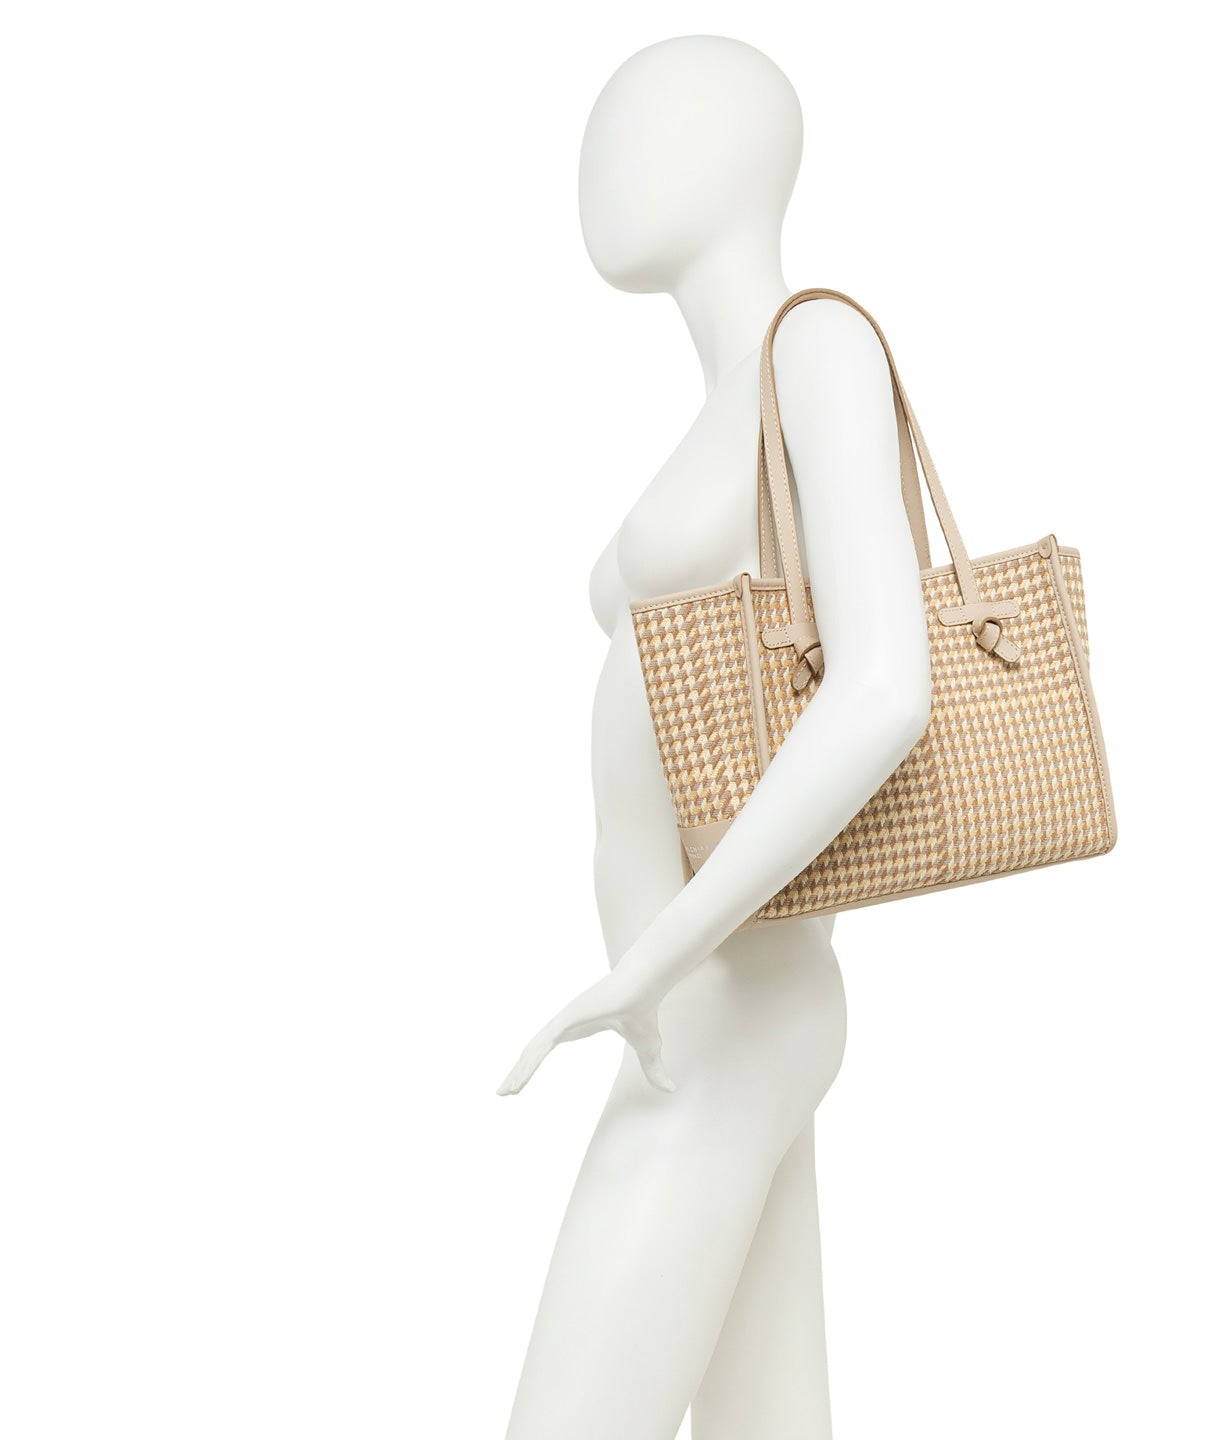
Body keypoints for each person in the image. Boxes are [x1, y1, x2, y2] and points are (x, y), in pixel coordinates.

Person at [497, 35, 934, 1440]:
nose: (598, 159)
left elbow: (885, 688)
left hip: (720, 1009)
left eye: (638, 122)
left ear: (743, 151)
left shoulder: (818, 343)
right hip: (699, 1012)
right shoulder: (729, 398)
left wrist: (656, 958)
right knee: (769, 1423)